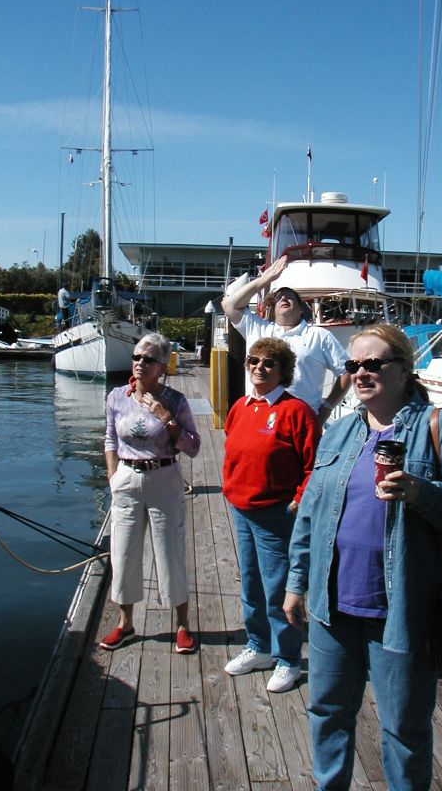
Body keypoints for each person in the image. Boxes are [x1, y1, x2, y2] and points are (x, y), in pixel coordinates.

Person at [284, 323, 442, 790]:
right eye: (353, 365)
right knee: (328, 714)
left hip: (401, 613)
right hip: (333, 609)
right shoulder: (338, 434)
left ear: (403, 370)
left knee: (404, 730)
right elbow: (310, 518)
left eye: (373, 364)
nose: (360, 373)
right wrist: (297, 584)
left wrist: (420, 491)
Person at [223, 337, 322, 692]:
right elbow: (232, 448)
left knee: (279, 588)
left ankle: (289, 660)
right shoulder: (241, 406)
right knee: (251, 583)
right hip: (242, 509)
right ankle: (259, 646)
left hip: (276, 515)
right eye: (254, 361)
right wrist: (230, 485)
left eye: (269, 363)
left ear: (283, 371)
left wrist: (297, 500)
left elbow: (314, 466)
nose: (259, 368)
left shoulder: (296, 411)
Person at [101, 333, 200, 654]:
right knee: (123, 552)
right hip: (127, 480)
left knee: (170, 551)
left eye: (149, 359)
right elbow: (110, 439)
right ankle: (125, 623)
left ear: (162, 366)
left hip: (164, 478)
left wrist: (166, 418)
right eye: (137, 357)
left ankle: (182, 625)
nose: (140, 363)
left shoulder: (175, 401)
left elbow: (194, 447)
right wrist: (113, 475)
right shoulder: (117, 397)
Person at [221, 255, 350, 424]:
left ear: (301, 310)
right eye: (279, 298)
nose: (283, 298)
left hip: (302, 420)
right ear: (273, 309)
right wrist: (265, 279)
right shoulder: (258, 328)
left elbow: (346, 372)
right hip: (258, 417)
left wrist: (326, 409)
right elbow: (229, 305)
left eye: (289, 296)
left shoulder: (319, 335)